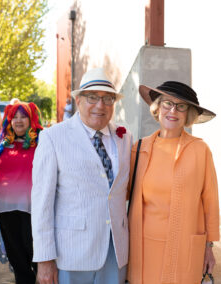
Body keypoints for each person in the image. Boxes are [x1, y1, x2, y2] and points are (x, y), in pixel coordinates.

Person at [32, 68, 132, 284]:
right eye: (92, 97)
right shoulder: (53, 137)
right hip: (70, 254)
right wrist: (44, 259)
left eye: (108, 99)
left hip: (115, 253)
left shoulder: (125, 138)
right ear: (78, 100)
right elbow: (42, 204)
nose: (100, 105)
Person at [127, 81, 219, 284]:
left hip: (185, 245)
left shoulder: (200, 150)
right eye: (167, 103)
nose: (173, 111)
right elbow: (120, 194)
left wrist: (209, 247)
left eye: (181, 106)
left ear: (188, 114)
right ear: (157, 108)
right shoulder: (138, 148)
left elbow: (210, 201)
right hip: (143, 245)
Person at [0, 102, 43, 284]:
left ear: (31, 119)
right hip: (5, 208)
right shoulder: (0, 144)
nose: (18, 121)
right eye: (14, 116)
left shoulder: (41, 143)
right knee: (16, 254)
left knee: (34, 252)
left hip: (33, 208)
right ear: (9, 120)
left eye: (23, 116)